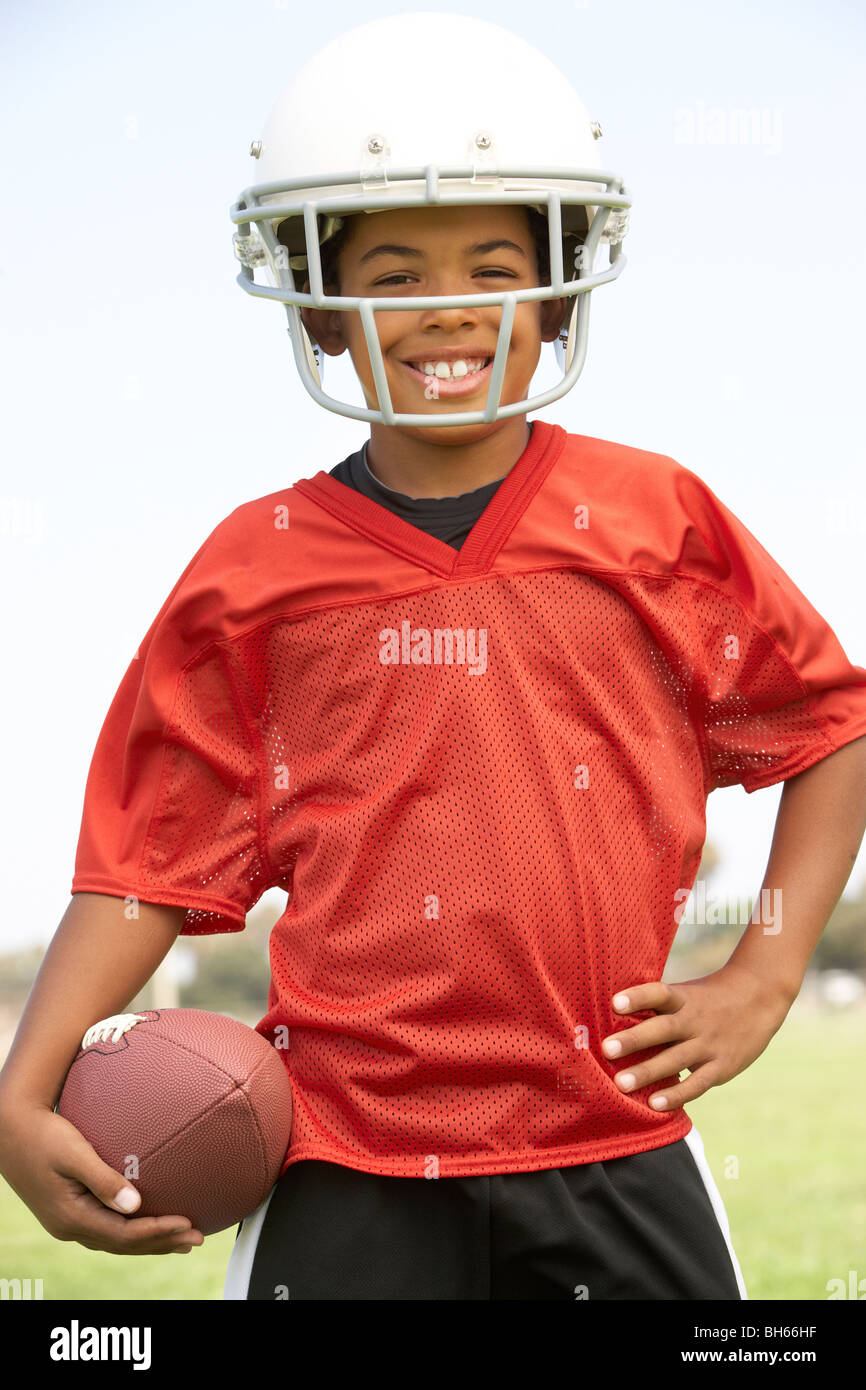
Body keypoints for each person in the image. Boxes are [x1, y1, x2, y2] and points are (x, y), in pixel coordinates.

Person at [2, 14, 866, 1301]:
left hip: (612, 1141)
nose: (446, 308)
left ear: (562, 283)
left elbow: (826, 728)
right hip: (345, 1161)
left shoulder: (652, 517)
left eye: (491, 264)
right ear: (321, 304)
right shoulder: (255, 568)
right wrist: (22, 1088)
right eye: (394, 273)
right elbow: (146, 867)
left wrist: (762, 974)